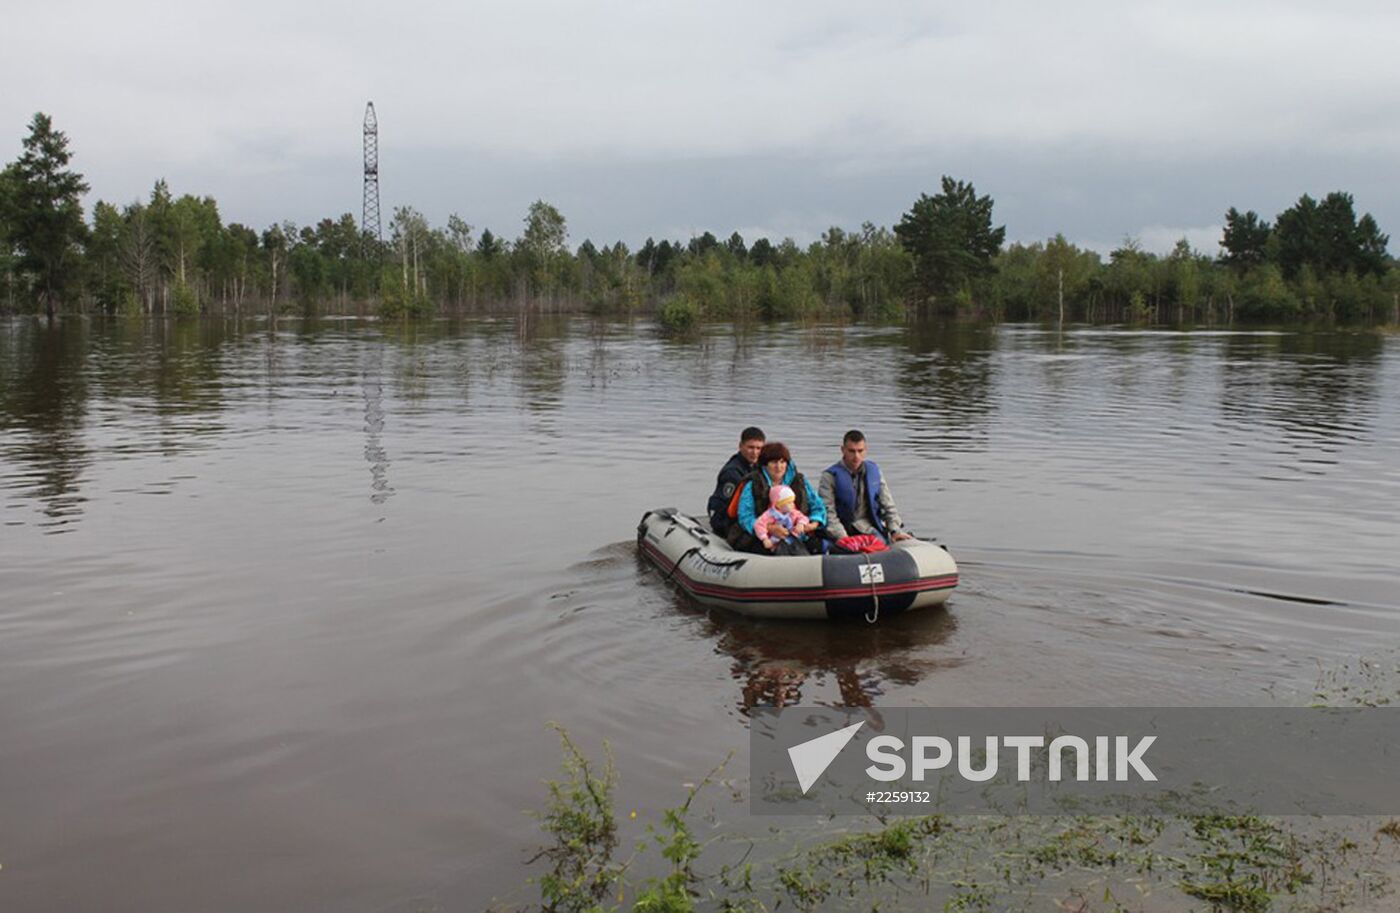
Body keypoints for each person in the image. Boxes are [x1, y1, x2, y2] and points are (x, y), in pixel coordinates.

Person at [728, 441, 826, 554]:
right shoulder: (753, 484)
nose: (779, 467)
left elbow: (818, 505)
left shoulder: (800, 482)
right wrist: (770, 528)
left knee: (819, 546)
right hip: (763, 537)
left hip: (798, 533)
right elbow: (745, 516)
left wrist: (813, 524)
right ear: (765, 464)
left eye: (782, 462)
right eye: (774, 462)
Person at [819, 429, 914, 544]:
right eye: (851, 451)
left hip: (867, 526)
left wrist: (895, 530)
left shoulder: (874, 471)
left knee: (881, 543)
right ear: (843, 450)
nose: (856, 456)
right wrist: (843, 538)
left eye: (860, 451)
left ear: (866, 450)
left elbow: (888, 504)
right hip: (843, 528)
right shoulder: (829, 476)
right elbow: (828, 512)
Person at [707, 426, 765, 534]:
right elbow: (729, 507)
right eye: (751, 447)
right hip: (725, 520)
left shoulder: (758, 467)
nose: (755, 452)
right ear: (740, 446)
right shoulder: (732, 473)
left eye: (759, 448)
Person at [753, 485, 811, 556]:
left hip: (793, 539)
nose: (793, 505)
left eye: (793, 502)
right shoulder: (770, 515)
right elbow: (759, 525)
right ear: (778, 505)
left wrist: (801, 524)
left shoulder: (793, 512)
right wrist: (764, 538)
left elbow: (803, 517)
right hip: (777, 542)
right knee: (782, 555)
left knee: (802, 552)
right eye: (789, 503)